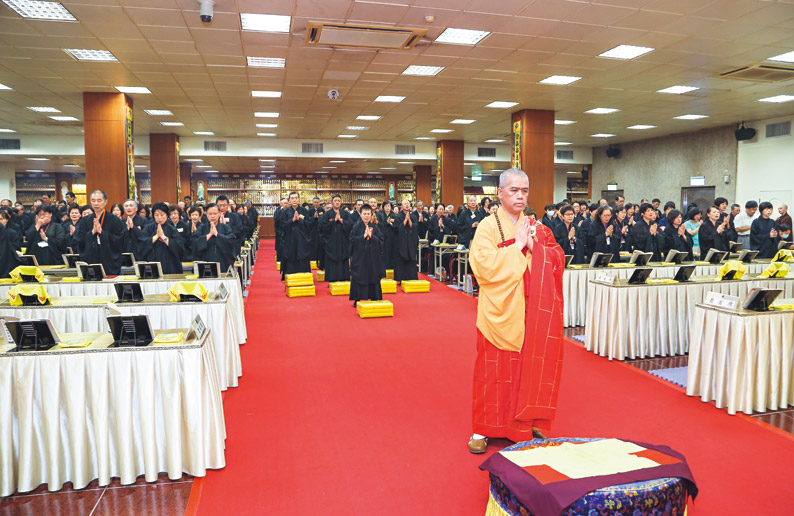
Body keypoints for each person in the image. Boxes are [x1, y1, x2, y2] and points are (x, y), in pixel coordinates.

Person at [468, 168, 565, 454]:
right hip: (499, 310)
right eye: (513, 190)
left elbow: (558, 258)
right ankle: (482, 430)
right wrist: (518, 246)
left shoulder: (537, 226)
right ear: (499, 193)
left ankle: (523, 425)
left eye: (524, 190)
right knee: (491, 372)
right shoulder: (487, 227)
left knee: (527, 371)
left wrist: (535, 245)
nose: (520, 196)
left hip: (531, 310)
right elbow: (482, 266)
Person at [77, 190, 124, 275]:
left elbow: (119, 240)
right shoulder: (85, 220)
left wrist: (102, 232)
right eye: (93, 200)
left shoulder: (114, 220)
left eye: (99, 200)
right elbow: (79, 240)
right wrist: (92, 232)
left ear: (105, 201)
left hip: (108, 259)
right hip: (91, 257)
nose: (96, 203)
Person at [349, 204, 385, 306]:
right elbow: (351, 241)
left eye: (368, 214)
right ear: (360, 215)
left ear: (371, 214)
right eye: (364, 214)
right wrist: (363, 237)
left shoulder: (375, 227)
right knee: (359, 277)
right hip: (360, 258)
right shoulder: (356, 227)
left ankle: (374, 296)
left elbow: (381, 240)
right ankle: (358, 298)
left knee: (373, 276)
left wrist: (372, 237)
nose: (366, 216)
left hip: (373, 258)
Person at [139, 202, 183, 274]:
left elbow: (179, 248)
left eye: (162, 215)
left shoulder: (172, 229)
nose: (159, 218)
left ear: (167, 215)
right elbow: (141, 245)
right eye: (156, 215)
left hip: (170, 265)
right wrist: (156, 237)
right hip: (152, 264)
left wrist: (164, 238)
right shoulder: (148, 228)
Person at [192, 203, 236, 272]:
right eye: (210, 214)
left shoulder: (225, 227)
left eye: (215, 214)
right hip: (205, 261)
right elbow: (195, 242)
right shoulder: (202, 228)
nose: (212, 216)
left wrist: (217, 234)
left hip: (222, 262)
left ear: (219, 214)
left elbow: (231, 241)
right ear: (206, 214)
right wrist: (209, 235)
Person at [319, 194, 352, 282]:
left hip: (343, 242)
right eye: (335, 201)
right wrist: (333, 221)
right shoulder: (327, 214)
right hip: (331, 242)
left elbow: (351, 225)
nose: (337, 202)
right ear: (331, 202)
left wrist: (342, 221)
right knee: (331, 260)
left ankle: (343, 278)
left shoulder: (345, 213)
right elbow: (322, 227)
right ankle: (332, 279)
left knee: (343, 259)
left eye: (339, 201)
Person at [279, 192, 312, 279]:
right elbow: (282, 226)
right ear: (289, 200)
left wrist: (301, 220)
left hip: (302, 239)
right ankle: (290, 276)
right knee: (291, 256)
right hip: (290, 239)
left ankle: (304, 276)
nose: (294, 200)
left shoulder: (304, 211)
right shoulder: (286, 212)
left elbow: (309, 224)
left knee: (302, 256)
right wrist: (292, 220)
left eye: (296, 198)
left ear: (299, 199)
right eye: (292, 198)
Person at [394, 199, 419, 282]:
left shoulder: (414, 216)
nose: (407, 205)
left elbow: (415, 227)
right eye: (405, 204)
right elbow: (396, 228)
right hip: (401, 242)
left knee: (411, 257)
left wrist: (410, 221)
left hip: (411, 241)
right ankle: (401, 278)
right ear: (401, 206)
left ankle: (411, 277)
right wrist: (405, 221)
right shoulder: (398, 216)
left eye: (408, 204)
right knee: (401, 258)